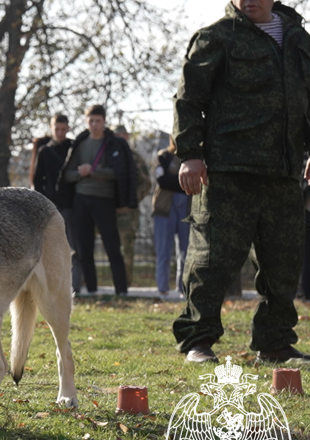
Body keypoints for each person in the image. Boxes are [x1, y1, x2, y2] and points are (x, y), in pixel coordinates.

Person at [173, 0, 310, 364]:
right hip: (228, 172)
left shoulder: (300, 40)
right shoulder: (216, 38)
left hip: (283, 173)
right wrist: (190, 154)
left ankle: (275, 342)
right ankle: (198, 340)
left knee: (284, 264)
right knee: (211, 261)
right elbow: (188, 100)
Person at [57, 104, 137, 296]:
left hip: (105, 200)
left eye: (98, 121)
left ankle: (121, 291)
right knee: (84, 248)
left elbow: (120, 173)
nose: (94, 124)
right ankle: (91, 291)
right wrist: (81, 173)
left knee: (112, 247)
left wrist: (93, 172)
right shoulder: (80, 143)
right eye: (91, 120)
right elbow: (67, 174)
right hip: (81, 200)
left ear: (104, 121)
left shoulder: (114, 144)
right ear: (86, 121)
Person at [33, 114, 83, 292]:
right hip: (51, 207)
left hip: (72, 204)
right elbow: (38, 180)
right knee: (51, 250)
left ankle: (74, 286)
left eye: (63, 129)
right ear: (51, 128)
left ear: (68, 128)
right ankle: (53, 287)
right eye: (57, 129)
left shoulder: (74, 148)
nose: (60, 132)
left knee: (74, 248)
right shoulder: (45, 151)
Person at [113, 125, 153, 286]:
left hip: (128, 215)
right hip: (109, 212)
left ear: (127, 137)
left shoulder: (134, 158)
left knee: (127, 252)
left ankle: (125, 287)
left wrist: (131, 201)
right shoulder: (110, 156)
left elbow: (146, 183)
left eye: (121, 136)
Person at [152, 137, 190, 298]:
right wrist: (183, 181)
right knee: (164, 251)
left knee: (186, 251)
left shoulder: (192, 157)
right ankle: (162, 289)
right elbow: (162, 180)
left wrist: (172, 179)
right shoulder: (163, 156)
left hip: (187, 208)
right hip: (164, 209)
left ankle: (183, 288)